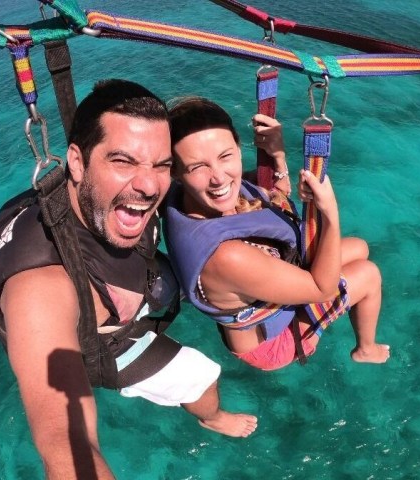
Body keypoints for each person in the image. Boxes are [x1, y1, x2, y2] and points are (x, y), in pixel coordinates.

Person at [0, 81, 257, 480]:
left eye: (161, 165)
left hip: (127, 277)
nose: (149, 185)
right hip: (106, 343)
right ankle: (212, 418)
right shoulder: (39, 289)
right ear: (76, 162)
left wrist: (272, 162)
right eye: (123, 161)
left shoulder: (106, 194)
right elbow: (64, 441)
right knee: (201, 377)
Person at [162, 97, 390, 372]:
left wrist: (277, 155)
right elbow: (323, 289)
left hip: (262, 284)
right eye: (198, 167)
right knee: (368, 274)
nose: (219, 178)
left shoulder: (191, 198)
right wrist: (329, 212)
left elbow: (272, 195)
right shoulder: (225, 257)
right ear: (174, 171)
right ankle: (366, 349)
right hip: (271, 342)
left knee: (359, 247)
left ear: (238, 146)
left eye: (226, 156)